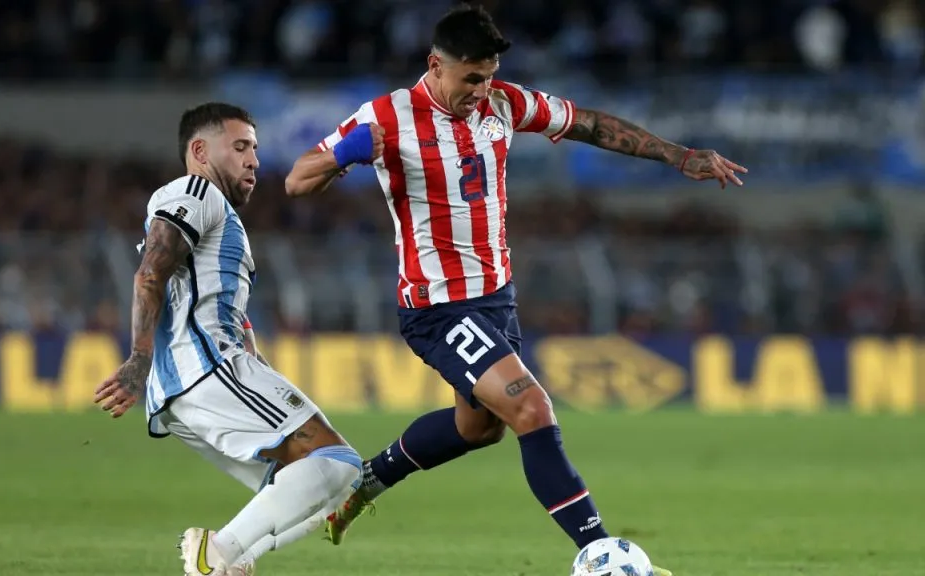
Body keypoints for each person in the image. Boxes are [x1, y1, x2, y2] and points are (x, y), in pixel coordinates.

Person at [284, 4, 747, 573]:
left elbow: (590, 123)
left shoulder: (504, 102)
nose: (482, 89)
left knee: (477, 429)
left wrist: (679, 156)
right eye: (470, 77)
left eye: (488, 75)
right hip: (437, 306)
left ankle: (367, 479)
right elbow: (296, 179)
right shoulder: (387, 117)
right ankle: (599, 553)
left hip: (496, 299)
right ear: (435, 65)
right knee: (531, 406)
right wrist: (342, 156)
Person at [93, 103, 363, 576]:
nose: (253, 160)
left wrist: (256, 362)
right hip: (204, 367)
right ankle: (216, 555)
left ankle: (228, 566)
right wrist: (138, 357)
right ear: (199, 151)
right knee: (337, 460)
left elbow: (212, 297)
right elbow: (149, 273)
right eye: (239, 147)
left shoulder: (218, 217)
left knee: (324, 486)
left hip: (193, 380)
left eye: (255, 149)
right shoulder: (195, 191)